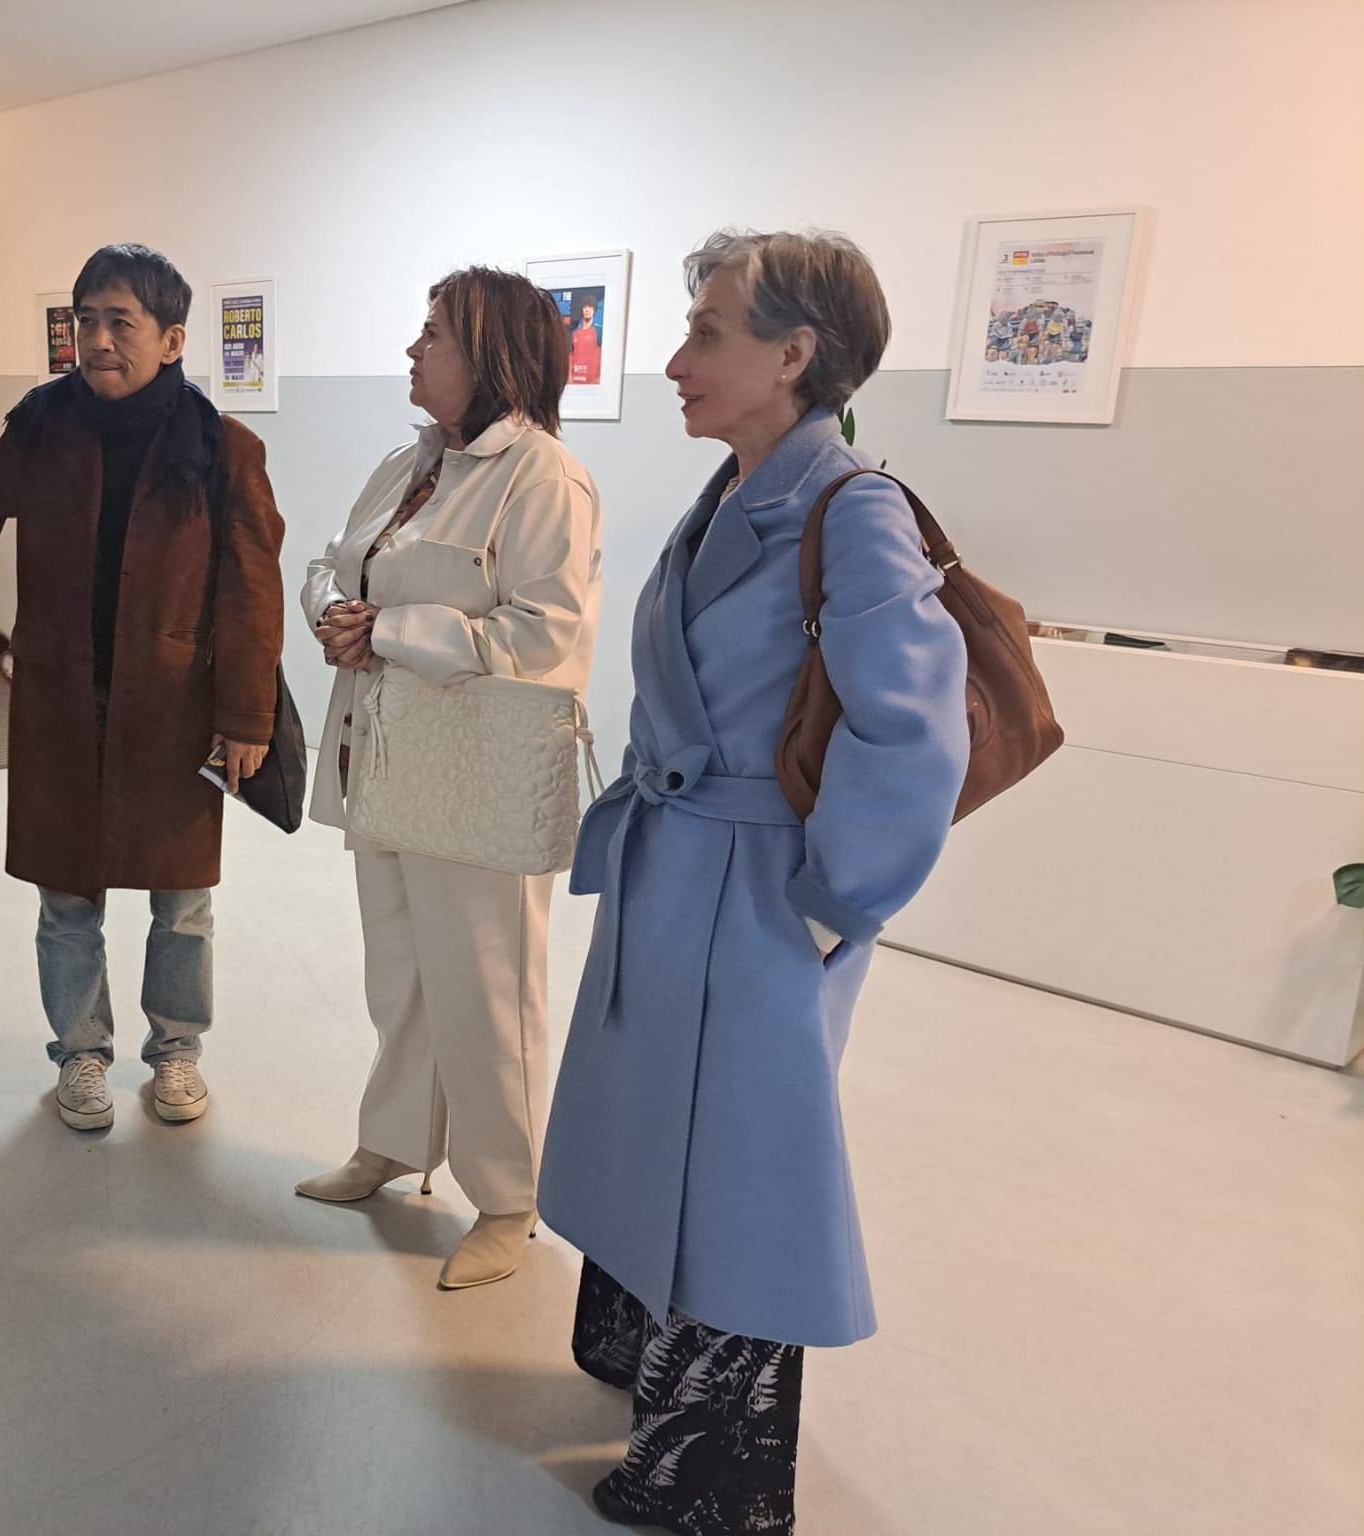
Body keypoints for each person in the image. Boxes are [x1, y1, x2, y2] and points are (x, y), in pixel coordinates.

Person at [537, 228, 969, 1531]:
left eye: (707, 332)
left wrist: (836, 905)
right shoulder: (737, 488)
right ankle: (643, 1364)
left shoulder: (854, 509)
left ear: (793, 355)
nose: (676, 360)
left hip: (755, 894)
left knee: (739, 1176)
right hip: (680, 872)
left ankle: (709, 1476)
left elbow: (915, 731)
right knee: (660, 1137)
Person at [0, 244, 285, 1131]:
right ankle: (81, 1053)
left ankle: (176, 1052)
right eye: (84, 320)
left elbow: (253, 592)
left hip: (176, 713)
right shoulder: (38, 428)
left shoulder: (224, 450)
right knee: (65, 899)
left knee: (183, 902)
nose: (95, 339)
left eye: (119, 321)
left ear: (171, 339)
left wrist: (248, 716)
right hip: (60, 703)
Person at [296, 267, 602, 1290]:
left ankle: (508, 1200)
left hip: (476, 779)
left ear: (491, 354)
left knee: (486, 990)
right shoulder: (408, 463)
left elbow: (543, 635)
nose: (412, 350)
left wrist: (390, 630)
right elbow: (334, 563)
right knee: (400, 974)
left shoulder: (544, 478)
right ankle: (393, 1142)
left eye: (432, 334)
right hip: (384, 758)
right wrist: (336, 615)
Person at [569, 297, 602, 386]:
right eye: (585, 307)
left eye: (590, 307)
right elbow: (571, 356)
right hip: (576, 381)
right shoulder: (574, 333)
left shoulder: (599, 331)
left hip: (592, 383)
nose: (587, 310)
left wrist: (600, 378)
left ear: (594, 310)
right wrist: (570, 378)